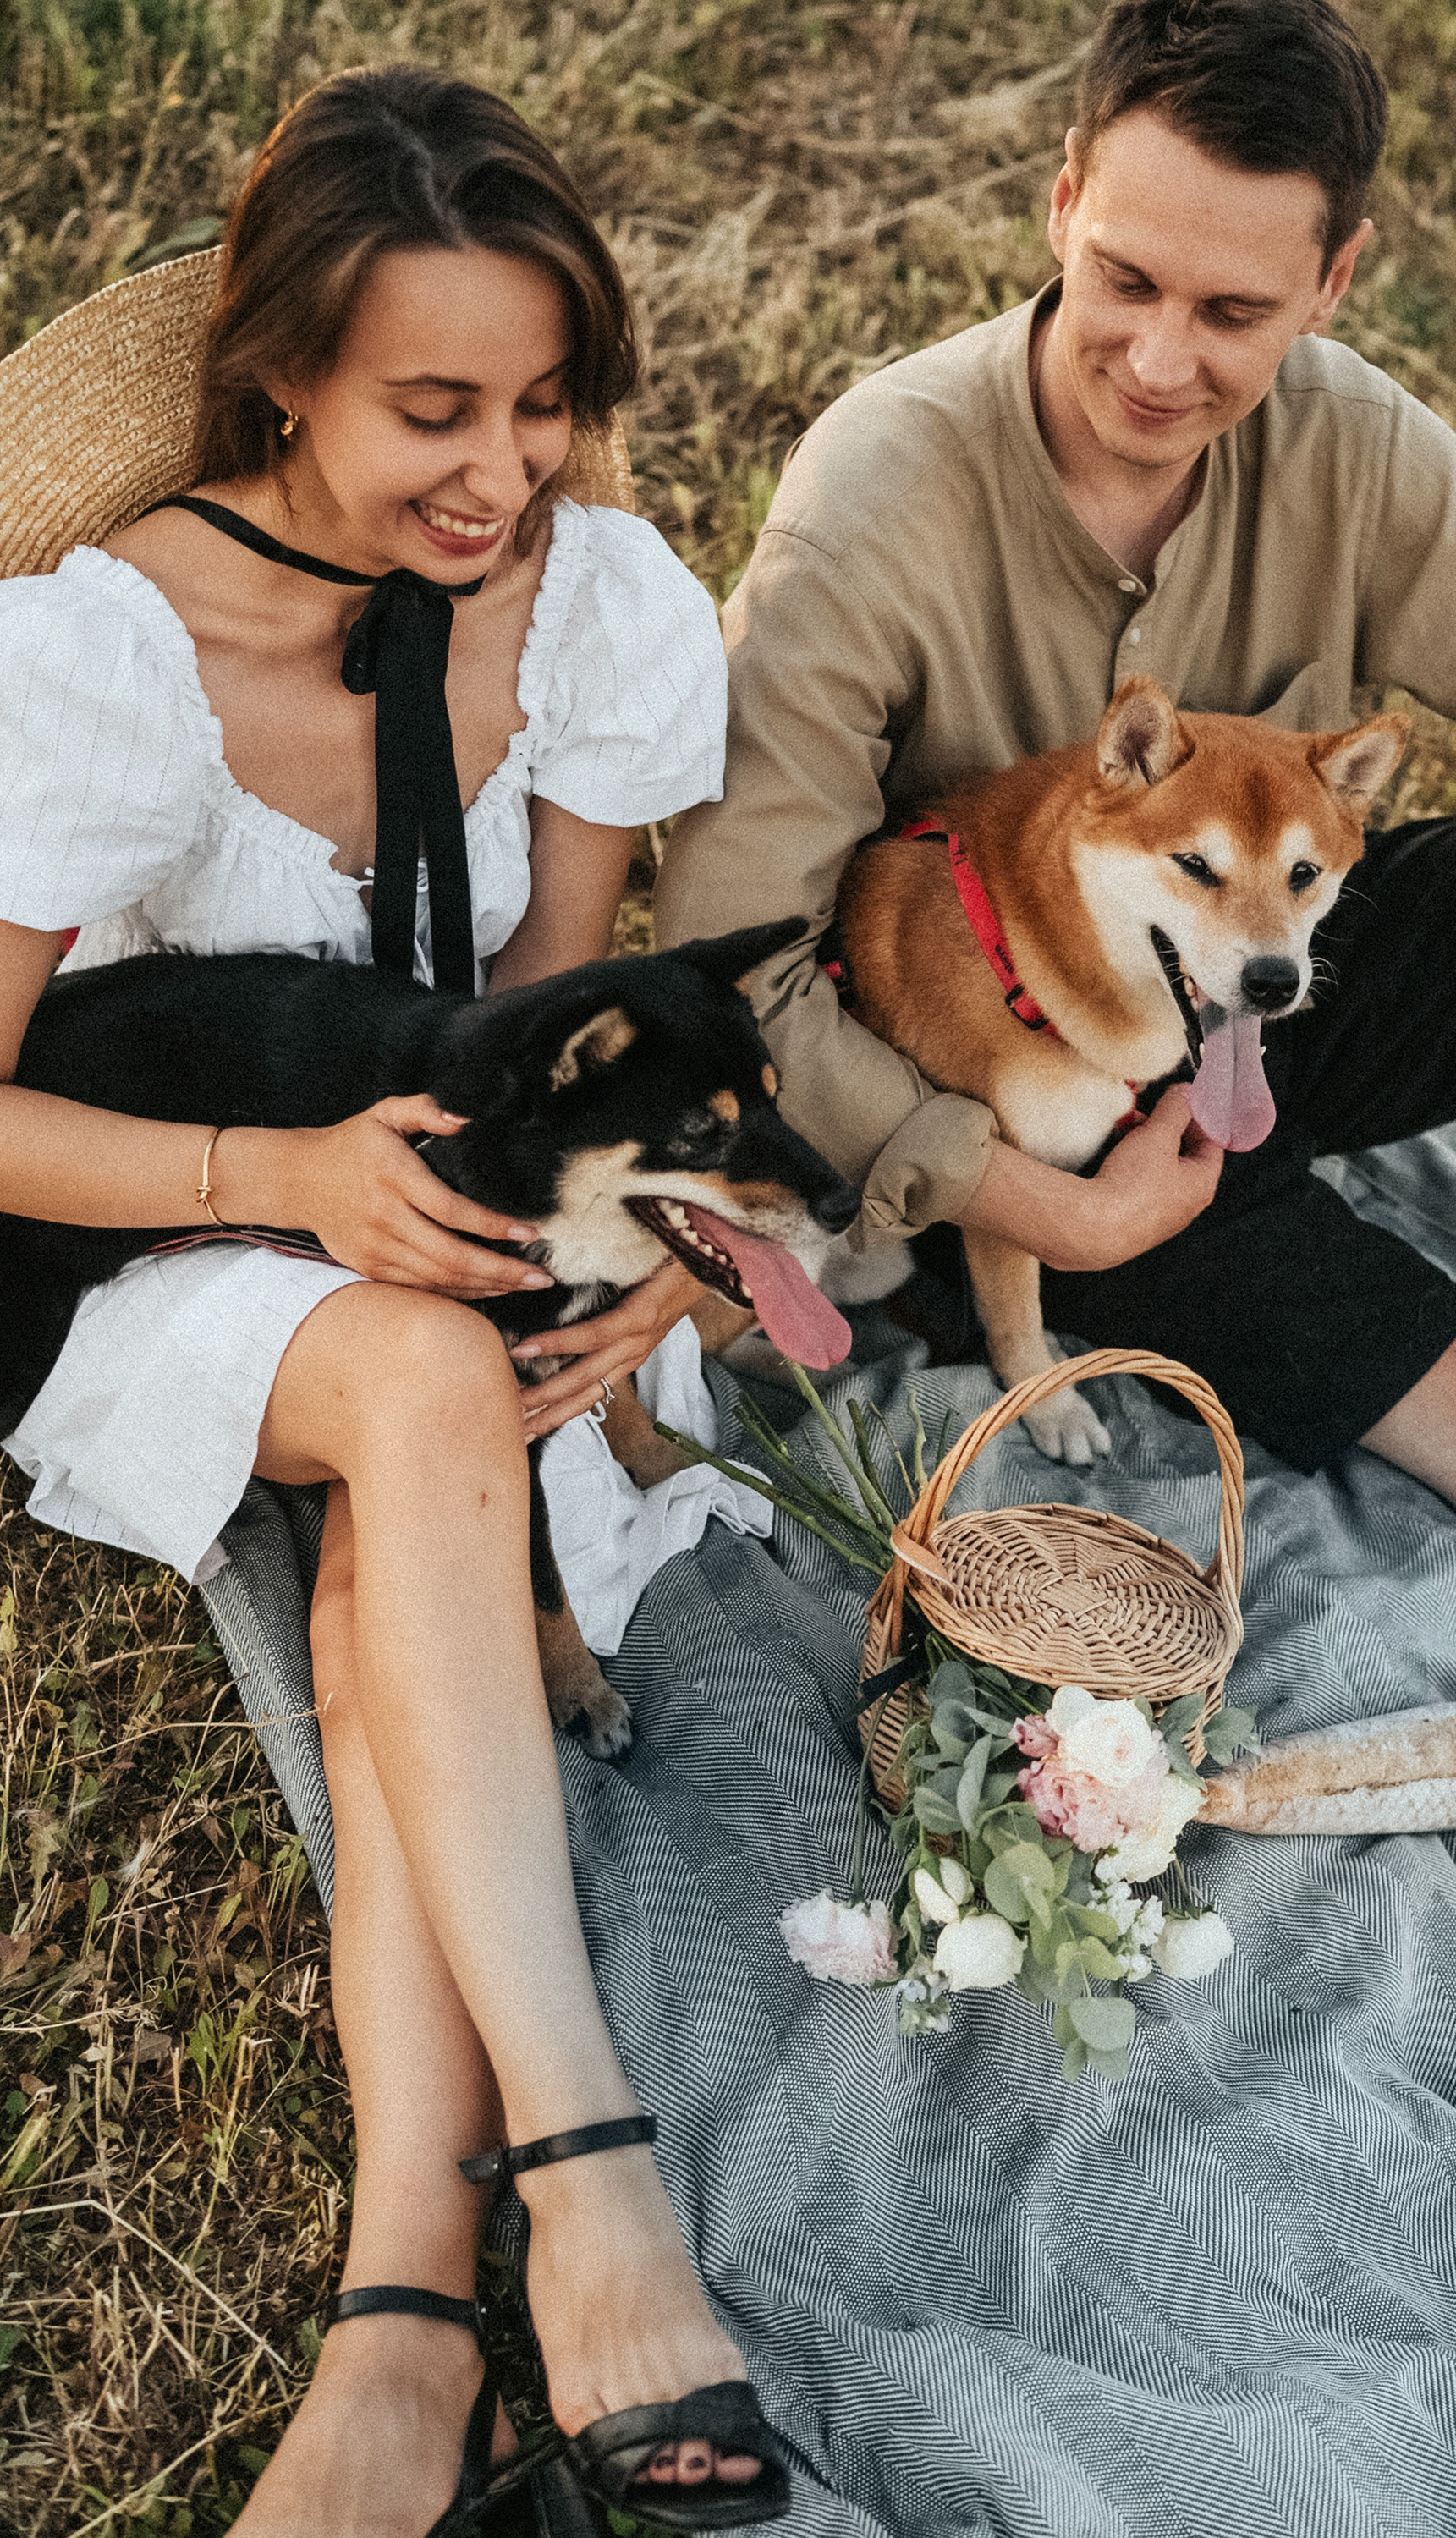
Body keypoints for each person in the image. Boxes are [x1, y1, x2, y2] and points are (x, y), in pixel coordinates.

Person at [0, 66, 788, 2537]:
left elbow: (545, 1023)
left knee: (432, 1437)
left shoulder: (591, 614)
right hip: (132, 1207)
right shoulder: (101, 660)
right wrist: (282, 1179)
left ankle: (396, 2324)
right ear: (282, 382)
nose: (504, 472)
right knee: (423, 1383)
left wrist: (630, 1267)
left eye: (545, 407)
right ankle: (592, 2184)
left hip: (413, 1230)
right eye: (433, 409)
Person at [657, 0, 1456, 1705]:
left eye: (1233, 313)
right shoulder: (879, 489)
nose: (1156, 361)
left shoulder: (1349, 446)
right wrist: (1039, 1210)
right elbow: (729, 971)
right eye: (1125, 280)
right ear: (1062, 196)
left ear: (1332, 282)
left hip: (1260, 988)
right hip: (1025, 1117)